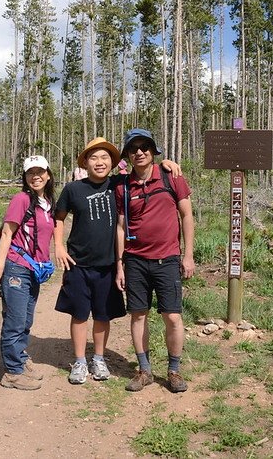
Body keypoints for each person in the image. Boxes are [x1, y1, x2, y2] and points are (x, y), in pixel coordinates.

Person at [54, 137, 181, 385]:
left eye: (104, 158)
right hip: (78, 263)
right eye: (93, 158)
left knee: (102, 314)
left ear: (113, 162)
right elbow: (59, 217)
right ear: (85, 162)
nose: (99, 162)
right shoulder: (73, 189)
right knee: (79, 314)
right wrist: (58, 246)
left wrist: (166, 162)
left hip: (109, 264)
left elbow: (144, 168)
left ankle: (99, 358)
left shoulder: (119, 184)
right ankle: (80, 361)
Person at [115, 128, 195, 394]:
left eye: (144, 146)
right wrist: (119, 263)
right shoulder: (123, 186)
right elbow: (121, 225)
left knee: (172, 316)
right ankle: (144, 370)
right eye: (133, 148)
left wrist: (188, 255)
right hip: (135, 260)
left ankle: (173, 370)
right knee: (139, 315)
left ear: (153, 150)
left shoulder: (171, 177)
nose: (139, 152)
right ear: (127, 154)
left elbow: (186, 216)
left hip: (168, 259)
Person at [0, 155, 57, 391]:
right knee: (15, 320)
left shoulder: (47, 203)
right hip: (16, 266)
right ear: (25, 177)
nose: (36, 176)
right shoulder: (21, 199)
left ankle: (20, 357)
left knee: (26, 319)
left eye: (40, 172)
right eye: (31, 173)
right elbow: (7, 234)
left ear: (48, 174)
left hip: (34, 269)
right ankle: (12, 372)